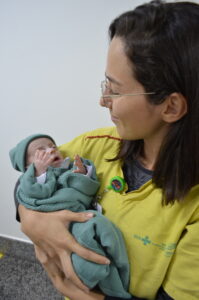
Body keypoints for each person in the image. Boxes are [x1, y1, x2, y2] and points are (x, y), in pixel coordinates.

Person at [14, 0, 199, 299]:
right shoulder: (95, 145)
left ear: (171, 106)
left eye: (115, 89)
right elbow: (30, 176)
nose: (103, 100)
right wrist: (31, 219)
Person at [10, 134, 131, 298]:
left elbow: (85, 191)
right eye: (41, 151)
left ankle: (119, 270)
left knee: (103, 228)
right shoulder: (31, 180)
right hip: (60, 221)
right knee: (85, 251)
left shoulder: (68, 166)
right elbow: (30, 194)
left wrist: (81, 173)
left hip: (79, 213)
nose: (51, 149)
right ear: (27, 166)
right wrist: (40, 173)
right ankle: (104, 281)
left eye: (52, 145)